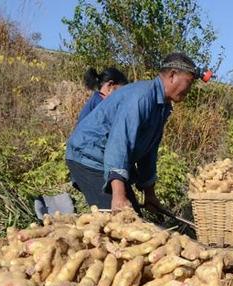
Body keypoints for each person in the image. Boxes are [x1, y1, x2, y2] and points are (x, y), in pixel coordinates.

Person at [66, 52, 204, 213]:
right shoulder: (141, 97)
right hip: (89, 157)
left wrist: (149, 194)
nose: (189, 89)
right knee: (120, 220)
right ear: (172, 75)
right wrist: (118, 195)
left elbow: (148, 153)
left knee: (132, 217)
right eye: (189, 82)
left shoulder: (162, 106)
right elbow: (119, 142)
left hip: (105, 160)